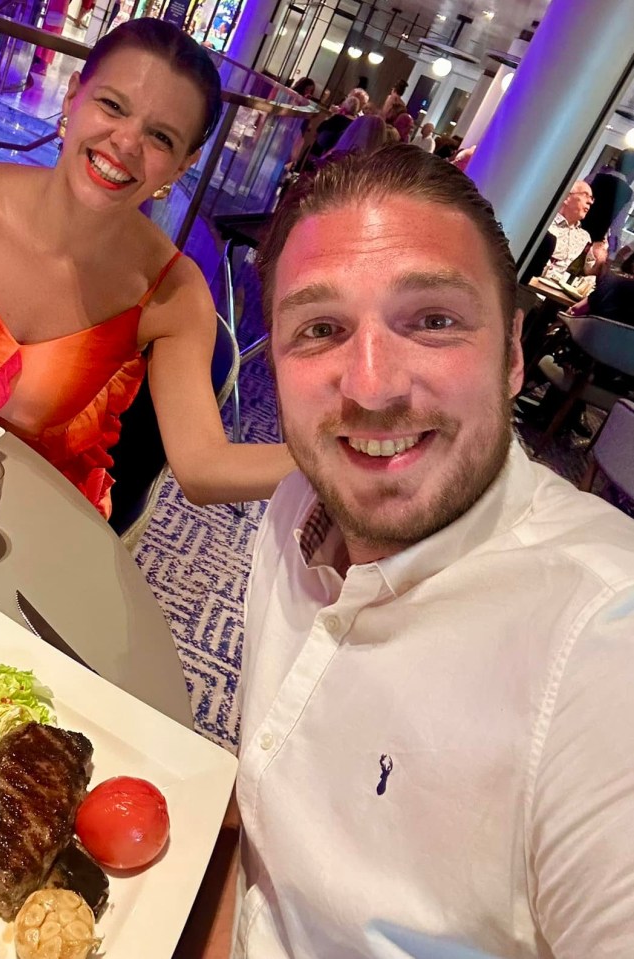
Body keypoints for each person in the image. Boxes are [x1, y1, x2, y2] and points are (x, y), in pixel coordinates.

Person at [188, 145, 634, 958]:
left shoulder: (600, 642)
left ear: (508, 356)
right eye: (320, 329)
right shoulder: (300, 506)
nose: (370, 386)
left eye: (431, 320)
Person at [0, 19, 293, 520]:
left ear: (181, 165)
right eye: (112, 105)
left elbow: (202, 467)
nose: (126, 143)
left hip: (30, 529)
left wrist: (340, 461)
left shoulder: (173, 292)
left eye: (161, 137)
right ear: (72, 98)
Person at [544, 179, 606, 276]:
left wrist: (600, 261)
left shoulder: (585, 237)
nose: (590, 202)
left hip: (558, 290)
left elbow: (588, 273)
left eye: (591, 198)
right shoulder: (545, 224)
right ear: (567, 197)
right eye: (585, 195)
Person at [580, 149, 634, 251]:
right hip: (591, 242)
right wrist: (612, 254)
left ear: (618, 162)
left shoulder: (594, 177)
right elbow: (616, 229)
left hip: (573, 227)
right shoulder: (628, 194)